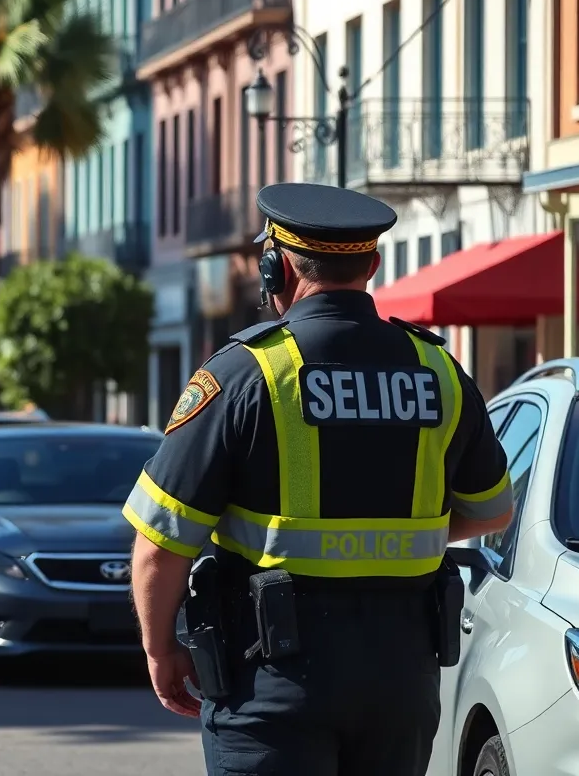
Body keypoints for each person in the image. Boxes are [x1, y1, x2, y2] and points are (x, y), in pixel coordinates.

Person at [122, 183, 516, 776]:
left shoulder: (246, 373)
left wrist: (160, 648)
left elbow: (159, 544)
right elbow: (492, 512)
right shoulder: (437, 369)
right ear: (373, 265)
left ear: (274, 266)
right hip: (400, 681)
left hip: (273, 684)